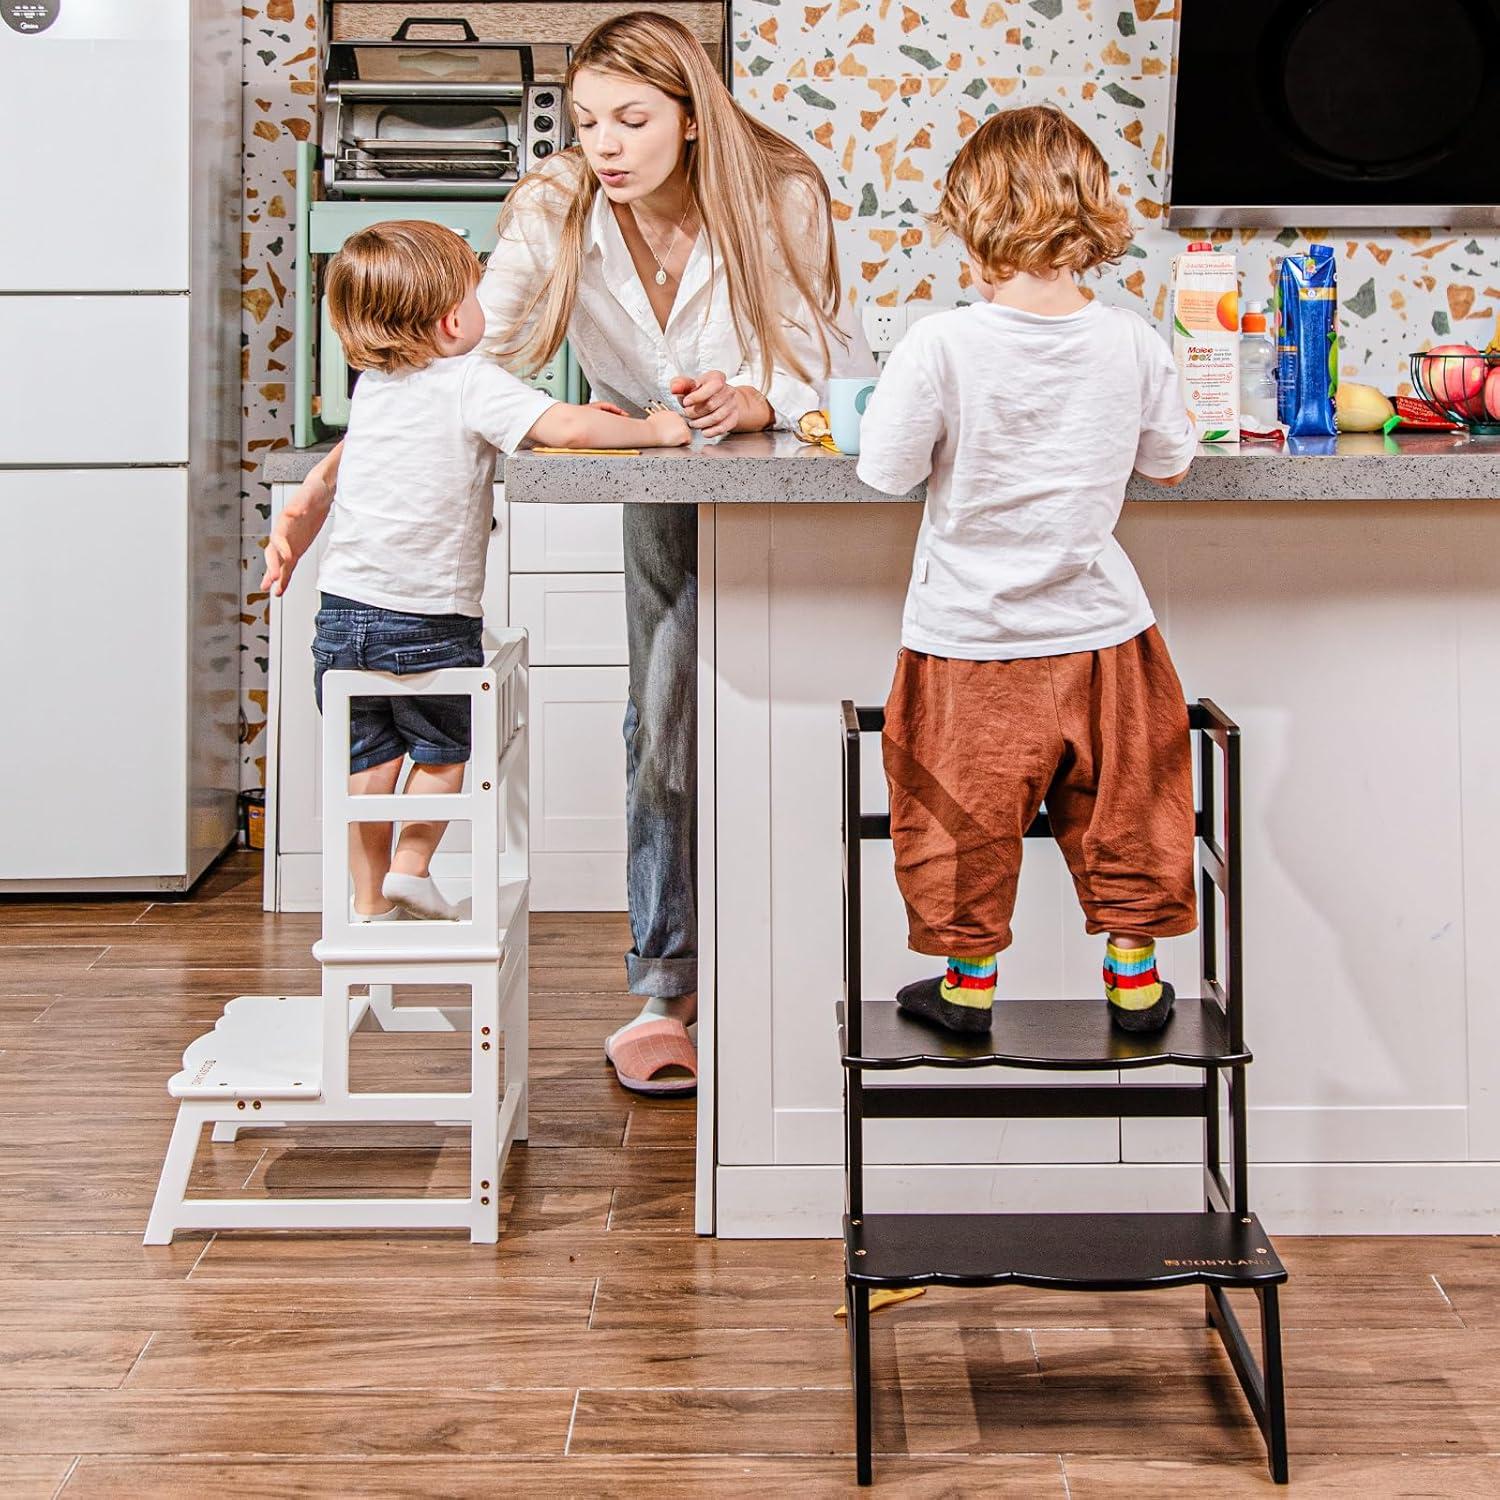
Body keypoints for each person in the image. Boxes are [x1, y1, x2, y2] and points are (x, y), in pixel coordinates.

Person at [281, 12, 871, 1092]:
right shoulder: (557, 201)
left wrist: (752, 395)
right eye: (588, 119)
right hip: (658, 479)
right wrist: (330, 473)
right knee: (664, 711)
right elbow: (459, 354)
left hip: (773, 477)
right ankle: (666, 989)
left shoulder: (779, 189)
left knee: (780, 714)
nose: (604, 144)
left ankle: (797, 967)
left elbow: (833, 360)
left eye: (633, 120)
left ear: (692, 118)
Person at [856, 105, 1199, 1037]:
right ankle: (1134, 985)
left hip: (971, 642)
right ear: (1090, 217)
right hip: (1105, 639)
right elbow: (1170, 460)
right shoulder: (1131, 340)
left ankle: (968, 990)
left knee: (962, 823)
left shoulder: (940, 343)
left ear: (972, 224)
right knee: (1128, 811)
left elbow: (883, 470)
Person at [260, 219, 689, 923]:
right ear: (454, 316)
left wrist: (297, 522)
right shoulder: (469, 381)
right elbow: (569, 432)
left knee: (367, 762)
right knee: (442, 749)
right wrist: (653, 429)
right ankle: (412, 865)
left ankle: (367, 903)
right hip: (429, 618)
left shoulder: (373, 385)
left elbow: (338, 469)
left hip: (341, 615)